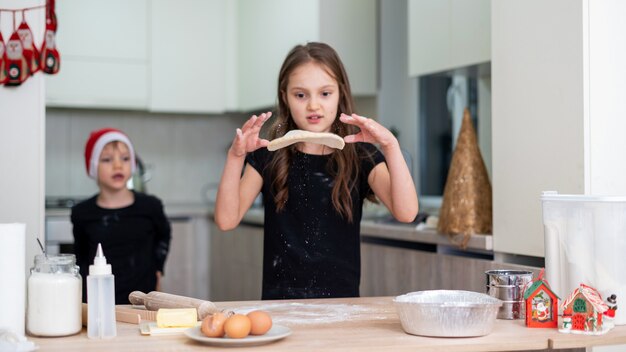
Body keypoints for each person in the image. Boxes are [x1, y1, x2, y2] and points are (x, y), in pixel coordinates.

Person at [215, 42, 418, 300]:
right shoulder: (268, 155)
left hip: (342, 307)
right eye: (301, 95)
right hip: (280, 307)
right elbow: (226, 219)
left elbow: (407, 212)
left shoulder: (361, 156)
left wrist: (390, 146)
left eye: (325, 93)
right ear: (285, 97)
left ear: (340, 93)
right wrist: (235, 156)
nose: (313, 105)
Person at [71, 128, 171, 304]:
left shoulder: (150, 206)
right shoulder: (82, 213)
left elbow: (164, 236)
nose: (118, 165)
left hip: (141, 299)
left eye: (125, 159)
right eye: (107, 160)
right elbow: (81, 255)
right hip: (99, 301)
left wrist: (158, 269)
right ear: (93, 166)